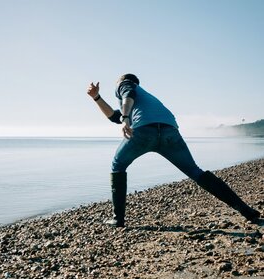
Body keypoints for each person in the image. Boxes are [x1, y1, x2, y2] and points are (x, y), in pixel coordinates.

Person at [87, 73, 260, 227]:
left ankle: (118, 219)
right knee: (195, 171)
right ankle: (246, 210)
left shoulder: (126, 85)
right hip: (170, 132)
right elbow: (114, 117)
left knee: (118, 165)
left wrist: (125, 117)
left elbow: (127, 96)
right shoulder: (145, 101)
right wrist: (97, 98)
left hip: (144, 131)